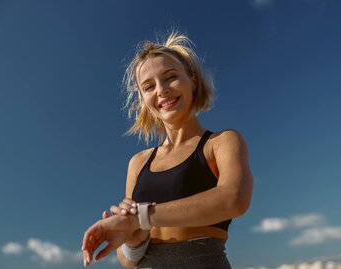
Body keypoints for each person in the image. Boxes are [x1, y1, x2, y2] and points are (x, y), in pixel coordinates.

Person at [82, 31, 253, 269]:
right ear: (143, 100)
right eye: (149, 86)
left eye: (170, 77)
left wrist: (140, 218)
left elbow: (234, 199)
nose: (161, 90)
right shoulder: (138, 162)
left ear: (192, 80)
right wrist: (134, 236)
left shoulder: (222, 142)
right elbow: (128, 260)